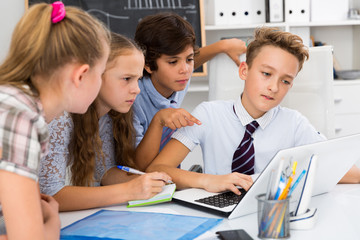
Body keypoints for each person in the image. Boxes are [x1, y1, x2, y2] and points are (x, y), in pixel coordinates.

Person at [146, 27, 331, 195]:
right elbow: (157, 168)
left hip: (267, 208)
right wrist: (208, 180)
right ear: (244, 71)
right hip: (217, 209)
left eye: (285, 81)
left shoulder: (294, 123)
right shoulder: (208, 114)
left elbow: (340, 167)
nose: (274, 87)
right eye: (266, 74)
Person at [0, 2, 110, 239]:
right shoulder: (19, 115)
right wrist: (52, 224)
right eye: (100, 74)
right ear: (80, 75)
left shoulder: (14, 102)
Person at [39, 33, 174, 212]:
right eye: (127, 79)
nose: (137, 90)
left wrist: (144, 182)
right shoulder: (59, 117)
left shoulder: (107, 116)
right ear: (95, 74)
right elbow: (50, 195)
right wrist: (128, 191)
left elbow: (103, 171)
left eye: (138, 79)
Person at [133, 12, 247, 170]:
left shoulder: (176, 79)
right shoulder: (133, 98)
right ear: (148, 65)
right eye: (173, 62)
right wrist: (158, 121)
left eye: (189, 59)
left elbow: (191, 58)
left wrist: (222, 46)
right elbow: (139, 166)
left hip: (169, 179)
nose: (185, 70)